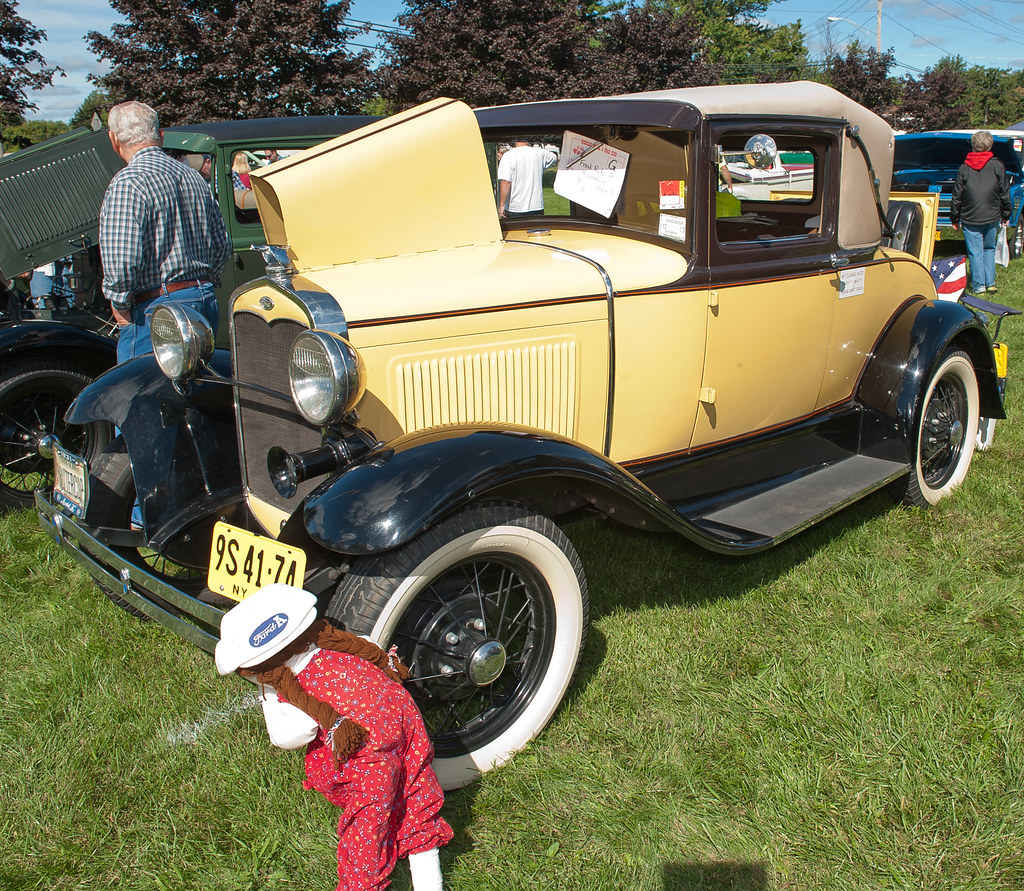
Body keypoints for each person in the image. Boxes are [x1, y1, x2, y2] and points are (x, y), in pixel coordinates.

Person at [215, 584, 453, 891]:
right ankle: (429, 881)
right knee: (415, 788)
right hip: (403, 716)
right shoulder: (338, 642)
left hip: (371, 749)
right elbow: (370, 648)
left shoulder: (287, 687)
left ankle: (361, 884)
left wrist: (273, 698)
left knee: (368, 823)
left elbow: (292, 734)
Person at [99, 100, 231, 363]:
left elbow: (122, 262)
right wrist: (200, 282)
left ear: (114, 139)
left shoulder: (128, 182)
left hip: (157, 309)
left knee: (140, 394)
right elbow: (222, 245)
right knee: (199, 390)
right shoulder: (192, 177)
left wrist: (120, 304)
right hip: (202, 297)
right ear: (159, 135)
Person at [950, 130, 1012, 295]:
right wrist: (1006, 214)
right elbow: (1004, 192)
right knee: (989, 248)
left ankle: (978, 286)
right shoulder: (997, 165)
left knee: (975, 251)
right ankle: (990, 283)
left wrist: (954, 217)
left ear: (973, 146)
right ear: (990, 145)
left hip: (970, 216)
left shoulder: (964, 168)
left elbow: (957, 195)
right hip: (992, 214)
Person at [496, 137, 558, 219]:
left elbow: (505, 182)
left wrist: (501, 205)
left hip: (515, 208)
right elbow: (555, 158)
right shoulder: (540, 153)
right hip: (537, 207)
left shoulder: (508, 156)